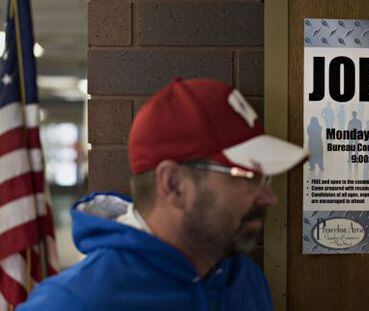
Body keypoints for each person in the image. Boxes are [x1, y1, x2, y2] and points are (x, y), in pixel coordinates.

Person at [18, 78, 307, 310]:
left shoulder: (243, 279)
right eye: (247, 177)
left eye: (264, 178)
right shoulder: (74, 302)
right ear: (174, 184)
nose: (269, 197)